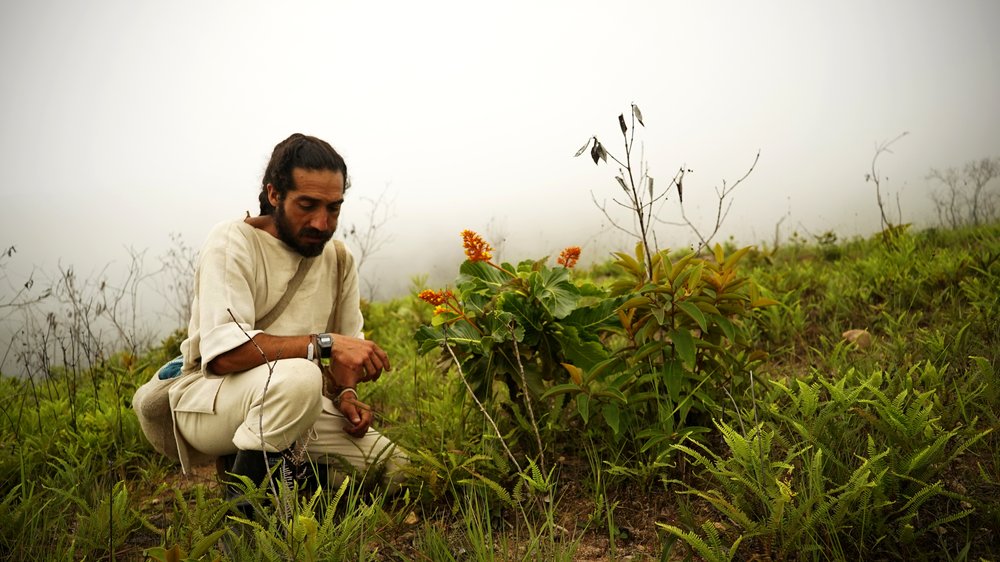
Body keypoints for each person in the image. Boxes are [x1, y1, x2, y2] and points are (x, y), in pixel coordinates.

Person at [167, 133, 405, 498]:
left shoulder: (338, 259)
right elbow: (226, 354)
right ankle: (248, 523)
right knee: (299, 377)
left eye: (334, 208)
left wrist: (347, 395)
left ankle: (299, 479)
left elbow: (346, 352)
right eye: (307, 205)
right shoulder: (232, 242)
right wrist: (324, 344)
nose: (322, 223)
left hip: (298, 403)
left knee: (401, 473)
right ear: (274, 194)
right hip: (213, 402)